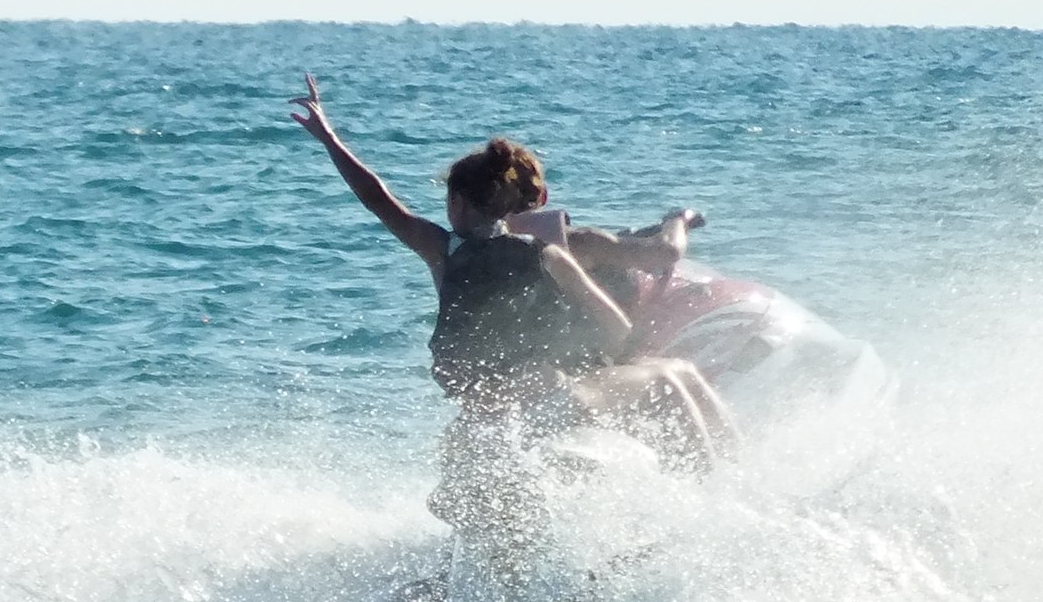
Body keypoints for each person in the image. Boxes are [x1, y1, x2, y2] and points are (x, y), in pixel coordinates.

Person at [288, 75, 736, 537]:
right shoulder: (550, 254)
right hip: (550, 400)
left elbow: (378, 200)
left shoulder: (440, 251)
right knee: (674, 376)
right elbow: (616, 328)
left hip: (482, 415)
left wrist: (330, 139)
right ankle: (715, 504)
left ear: (456, 203)